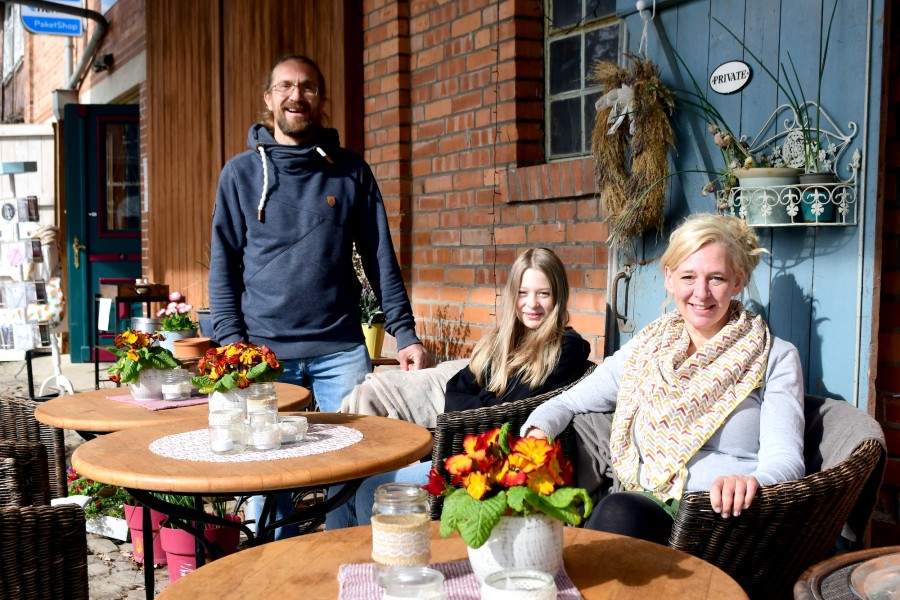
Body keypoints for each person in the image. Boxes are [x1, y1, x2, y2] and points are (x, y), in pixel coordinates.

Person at [209, 54, 427, 537]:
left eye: (307, 87)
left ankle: (342, 567)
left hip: (340, 350)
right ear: (268, 99)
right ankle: (273, 568)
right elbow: (223, 267)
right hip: (264, 354)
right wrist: (232, 345)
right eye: (285, 86)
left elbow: (379, 259)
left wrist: (405, 335)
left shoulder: (350, 173)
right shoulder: (240, 175)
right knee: (268, 478)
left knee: (350, 469)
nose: (296, 96)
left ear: (321, 99)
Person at [522, 214, 805, 545]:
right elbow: (568, 400)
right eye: (688, 277)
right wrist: (537, 432)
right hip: (649, 504)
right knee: (612, 516)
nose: (701, 293)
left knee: (614, 517)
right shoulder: (647, 348)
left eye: (716, 278)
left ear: (737, 281)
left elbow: (787, 460)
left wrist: (752, 481)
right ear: (669, 278)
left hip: (722, 519)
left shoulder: (774, 356)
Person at [327, 247, 593, 529]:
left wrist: (476, 405)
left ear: (558, 296)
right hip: (460, 449)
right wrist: (478, 405)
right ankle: (341, 562)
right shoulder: (502, 341)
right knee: (346, 480)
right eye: (523, 293)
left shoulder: (565, 347)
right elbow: (457, 387)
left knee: (373, 489)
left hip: (494, 465)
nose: (532, 304)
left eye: (543, 293)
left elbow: (507, 409)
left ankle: (386, 563)